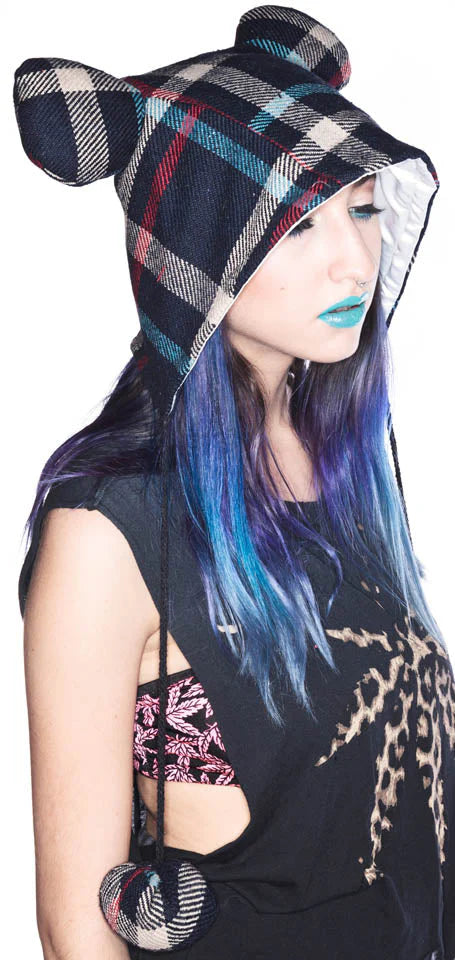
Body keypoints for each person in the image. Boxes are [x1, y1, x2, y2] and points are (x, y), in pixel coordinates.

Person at [14, 5, 454, 960]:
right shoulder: (108, 526)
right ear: (199, 251)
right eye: (298, 225)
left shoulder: (346, 473)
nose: (355, 259)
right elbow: (78, 928)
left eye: (362, 209)